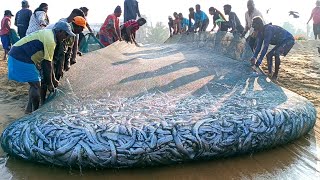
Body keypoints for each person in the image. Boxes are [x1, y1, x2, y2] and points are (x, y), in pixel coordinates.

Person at [7, 21, 75, 113]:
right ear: (59, 31)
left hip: (18, 54)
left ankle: (29, 110)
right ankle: (36, 113)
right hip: (20, 57)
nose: (66, 37)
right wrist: (50, 83)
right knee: (36, 85)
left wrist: (53, 79)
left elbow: (48, 62)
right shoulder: (50, 40)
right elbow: (47, 64)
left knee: (34, 84)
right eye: (66, 34)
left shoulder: (50, 34)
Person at [250, 16, 295, 81]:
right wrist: (254, 57)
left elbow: (265, 47)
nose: (254, 29)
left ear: (259, 25)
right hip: (280, 42)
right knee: (269, 55)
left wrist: (258, 63)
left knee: (276, 53)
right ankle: (270, 73)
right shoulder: (260, 32)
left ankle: (275, 74)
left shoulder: (268, 29)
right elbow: (258, 47)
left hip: (288, 40)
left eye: (255, 26)